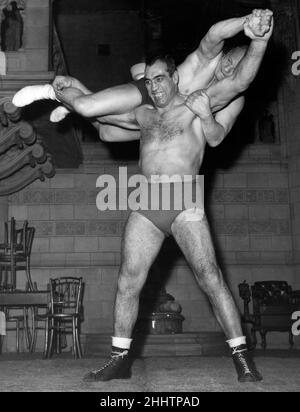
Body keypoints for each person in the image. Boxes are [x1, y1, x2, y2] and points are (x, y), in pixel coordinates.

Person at [12, 10, 273, 383]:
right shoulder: (143, 115)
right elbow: (105, 125)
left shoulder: (198, 102)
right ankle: (119, 359)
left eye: (160, 79)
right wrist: (76, 97)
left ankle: (242, 358)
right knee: (127, 281)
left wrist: (259, 40)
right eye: (148, 82)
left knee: (210, 277)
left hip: (184, 200)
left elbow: (241, 81)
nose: (155, 87)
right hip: (147, 202)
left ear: (175, 77)